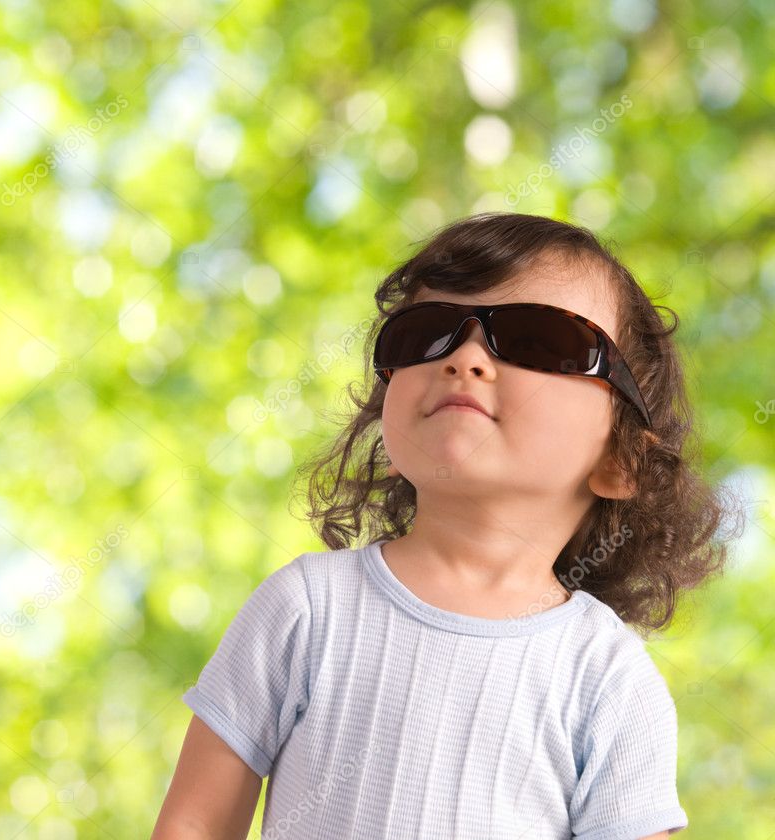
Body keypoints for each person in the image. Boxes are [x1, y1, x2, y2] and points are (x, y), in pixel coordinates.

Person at [150, 212, 744, 839]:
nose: (465, 357)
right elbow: (194, 826)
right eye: (426, 335)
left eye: (542, 340)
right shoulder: (306, 609)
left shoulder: (605, 677)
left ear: (622, 460)